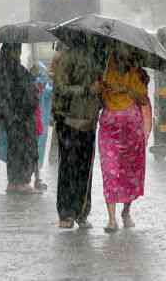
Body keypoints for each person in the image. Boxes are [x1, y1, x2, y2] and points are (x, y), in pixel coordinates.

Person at [52, 39, 107, 229]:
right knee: (68, 167)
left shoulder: (99, 58)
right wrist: (86, 90)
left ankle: (82, 212)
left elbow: (101, 90)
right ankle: (66, 213)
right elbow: (61, 87)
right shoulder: (67, 58)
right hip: (69, 120)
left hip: (89, 121)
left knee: (85, 169)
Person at [99, 43, 149, 233]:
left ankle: (126, 212)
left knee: (130, 172)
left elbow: (143, 99)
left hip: (132, 132)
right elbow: (99, 97)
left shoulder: (137, 74)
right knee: (110, 171)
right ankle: (111, 219)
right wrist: (105, 89)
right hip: (109, 129)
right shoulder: (104, 73)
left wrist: (130, 90)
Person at [0, 43, 40, 194]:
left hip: (11, 117)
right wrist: (32, 78)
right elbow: (27, 93)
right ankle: (22, 182)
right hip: (21, 117)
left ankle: (13, 181)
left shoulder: (4, 69)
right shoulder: (15, 70)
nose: (19, 53)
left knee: (14, 149)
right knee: (24, 149)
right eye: (17, 50)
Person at [30, 61, 53, 190]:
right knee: (37, 152)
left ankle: (35, 177)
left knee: (36, 151)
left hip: (37, 125)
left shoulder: (37, 87)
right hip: (39, 125)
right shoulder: (43, 87)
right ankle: (36, 178)